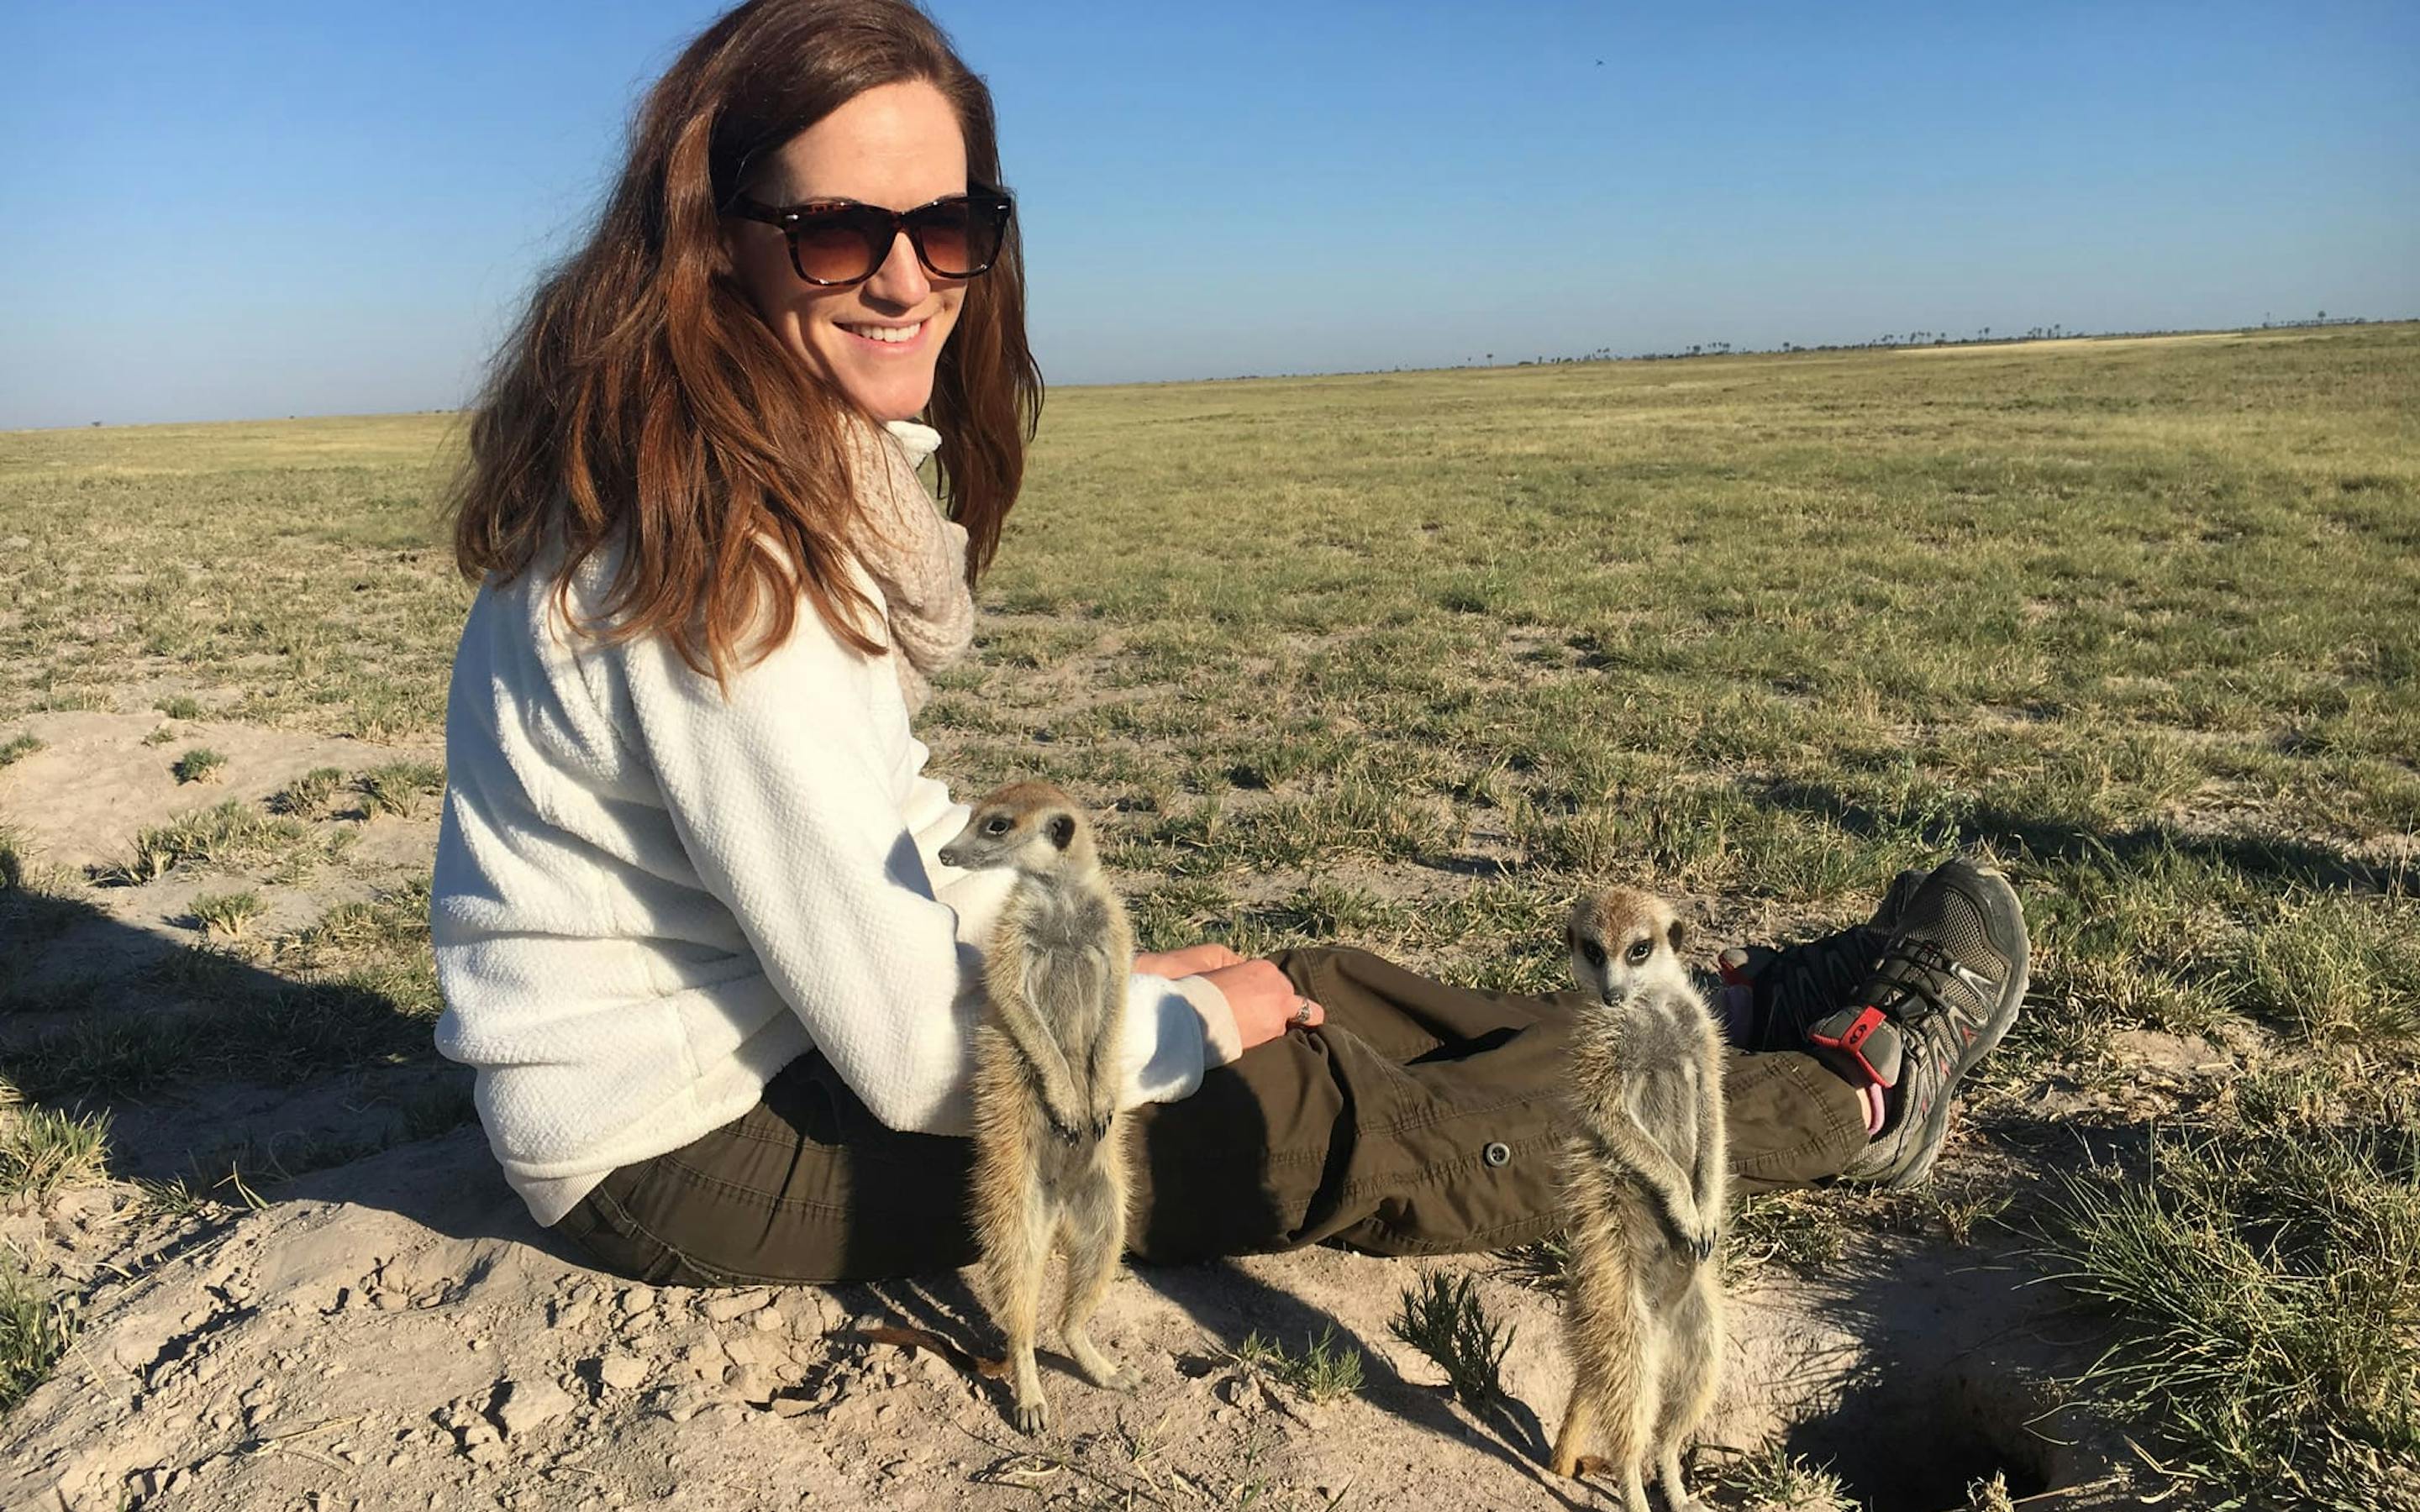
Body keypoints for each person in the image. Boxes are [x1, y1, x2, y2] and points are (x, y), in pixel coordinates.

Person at [431, 0, 2028, 1288]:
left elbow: (874, 841)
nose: (911, 276)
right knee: (1306, 1109)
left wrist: (1128, 981)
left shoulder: (729, 470)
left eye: (950, 223)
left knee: (1315, 989)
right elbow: (924, 1059)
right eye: (840, 231)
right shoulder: (720, 568)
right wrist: (1174, 1030)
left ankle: (1716, 1020)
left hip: (773, 1043)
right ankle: (1841, 1102)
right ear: (714, 237)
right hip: (686, 1152)